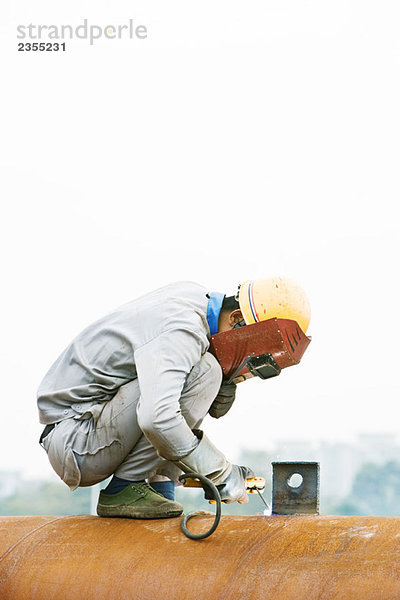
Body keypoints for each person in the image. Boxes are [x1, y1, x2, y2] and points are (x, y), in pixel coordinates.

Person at [37, 278, 310, 519]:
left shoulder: (195, 303)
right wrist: (222, 474)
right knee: (205, 373)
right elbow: (158, 418)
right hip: (77, 441)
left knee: (205, 372)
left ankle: (157, 485)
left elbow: (204, 404)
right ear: (237, 318)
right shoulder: (183, 328)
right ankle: (125, 487)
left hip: (92, 427)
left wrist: (230, 377)